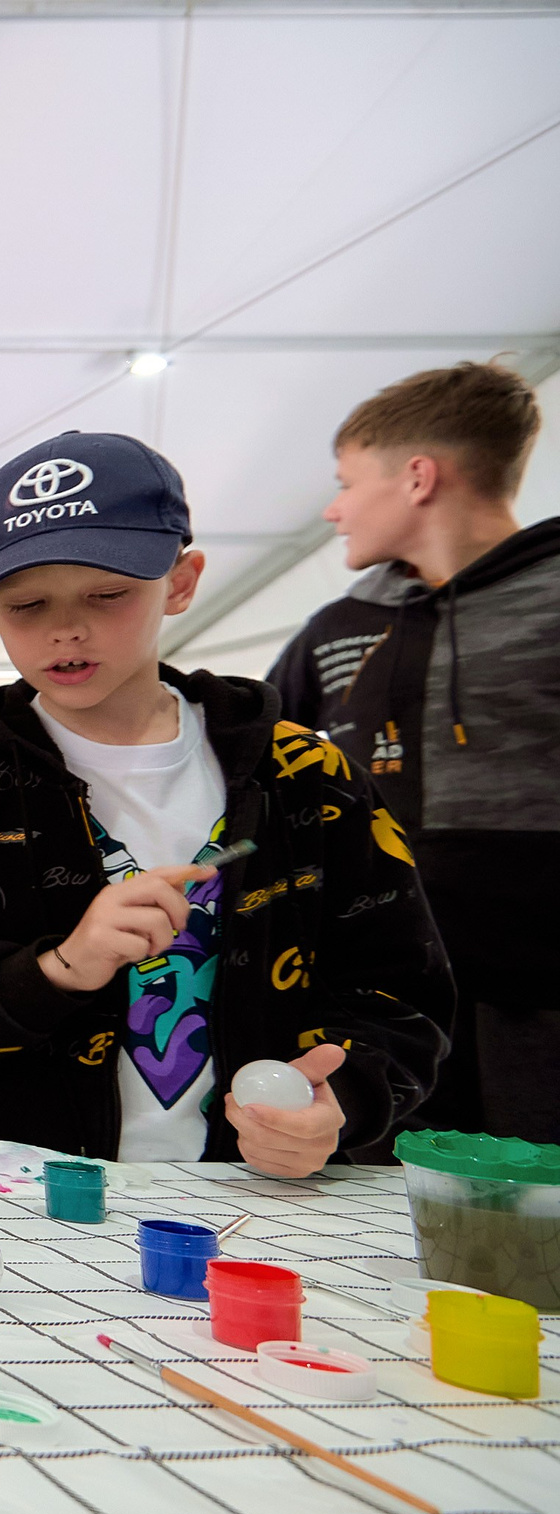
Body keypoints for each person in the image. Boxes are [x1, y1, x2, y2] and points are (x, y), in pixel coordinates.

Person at [0, 432, 452, 1172]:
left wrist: (344, 1104)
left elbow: (403, 992)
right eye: (27, 603)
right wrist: (61, 968)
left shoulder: (306, 777)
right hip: (20, 1209)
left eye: (108, 594)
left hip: (263, 1201)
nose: (67, 628)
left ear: (182, 580)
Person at [269, 362, 558, 1141]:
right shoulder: (337, 627)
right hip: (383, 1015)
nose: (333, 509)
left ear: (418, 477)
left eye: (347, 482)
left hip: (538, 1021)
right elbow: (257, 768)